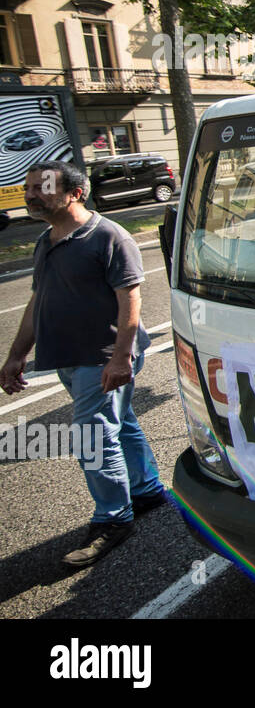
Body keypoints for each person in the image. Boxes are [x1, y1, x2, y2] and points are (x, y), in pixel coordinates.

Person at [1, 161, 165, 566]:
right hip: (69, 356)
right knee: (119, 423)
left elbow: (131, 300)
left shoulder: (109, 236)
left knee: (92, 434)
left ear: (76, 193)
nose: (32, 195)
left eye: (42, 188)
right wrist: (17, 353)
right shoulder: (47, 240)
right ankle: (146, 490)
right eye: (29, 189)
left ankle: (113, 518)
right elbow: (38, 300)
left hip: (104, 355)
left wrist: (122, 357)